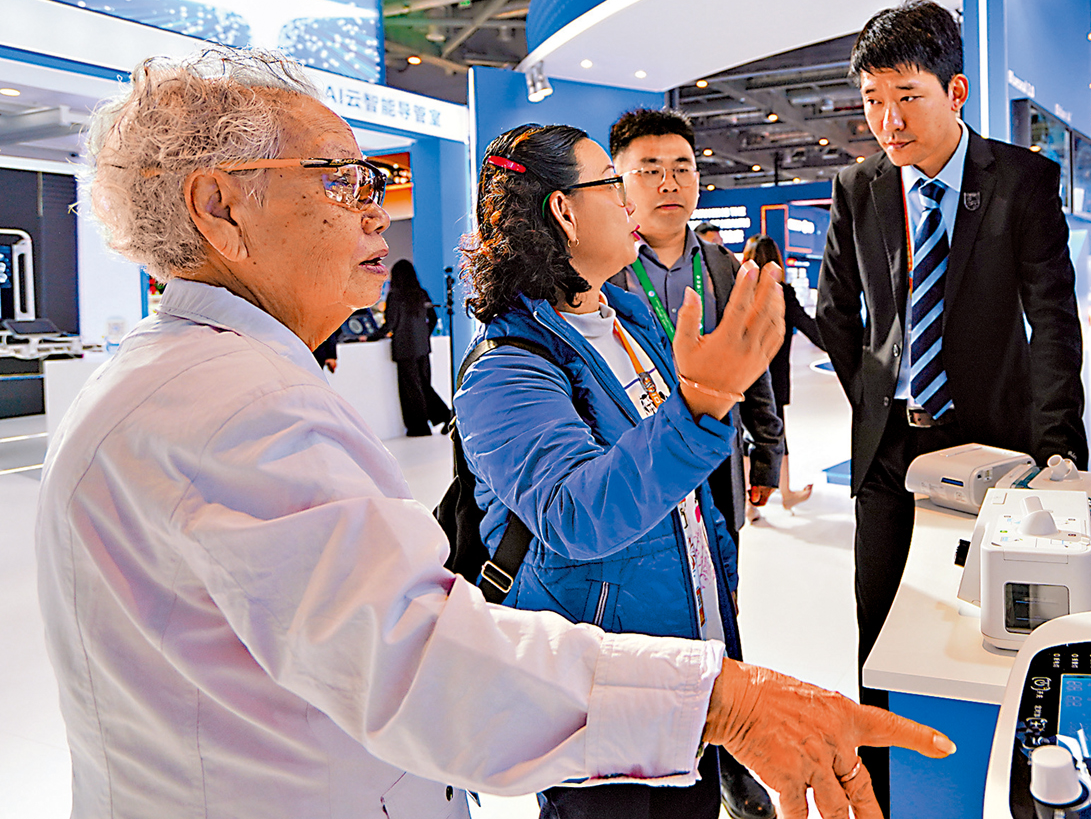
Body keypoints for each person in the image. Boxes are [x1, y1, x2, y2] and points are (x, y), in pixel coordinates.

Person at [36, 48, 954, 819]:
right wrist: (725, 701)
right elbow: (422, 658)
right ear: (220, 206)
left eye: (372, 180)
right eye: (341, 178)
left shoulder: (216, 380)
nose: (375, 208)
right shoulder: (236, 407)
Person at [816, 0, 1086, 813]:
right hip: (892, 452)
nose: (888, 121)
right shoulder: (859, 187)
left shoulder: (1021, 182)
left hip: (995, 444)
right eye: (873, 100)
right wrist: (873, 400)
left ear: (955, 90)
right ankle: (881, 795)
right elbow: (836, 313)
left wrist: (1057, 451)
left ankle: (1013, 784)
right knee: (878, 634)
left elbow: (1052, 321)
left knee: (1000, 630)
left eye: (907, 97)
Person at [608, 108, 785, 552]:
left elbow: (752, 363)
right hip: (632, 462)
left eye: (682, 169)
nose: (669, 184)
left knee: (722, 570)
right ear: (618, 182)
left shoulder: (724, 267)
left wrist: (768, 450)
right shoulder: (601, 271)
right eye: (650, 170)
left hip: (716, 456)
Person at [742, 235, 821, 511]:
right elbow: (810, 327)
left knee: (745, 437)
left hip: (743, 375)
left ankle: (750, 503)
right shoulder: (783, 293)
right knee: (776, 434)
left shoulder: (740, 292)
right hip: (774, 379)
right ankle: (785, 493)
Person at [379, 258, 453, 435]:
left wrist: (371, 336)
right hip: (422, 347)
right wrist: (424, 334)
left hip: (404, 348)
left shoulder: (395, 296)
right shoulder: (421, 293)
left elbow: (390, 324)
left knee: (411, 389)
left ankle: (419, 427)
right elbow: (433, 318)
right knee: (424, 385)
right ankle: (446, 416)